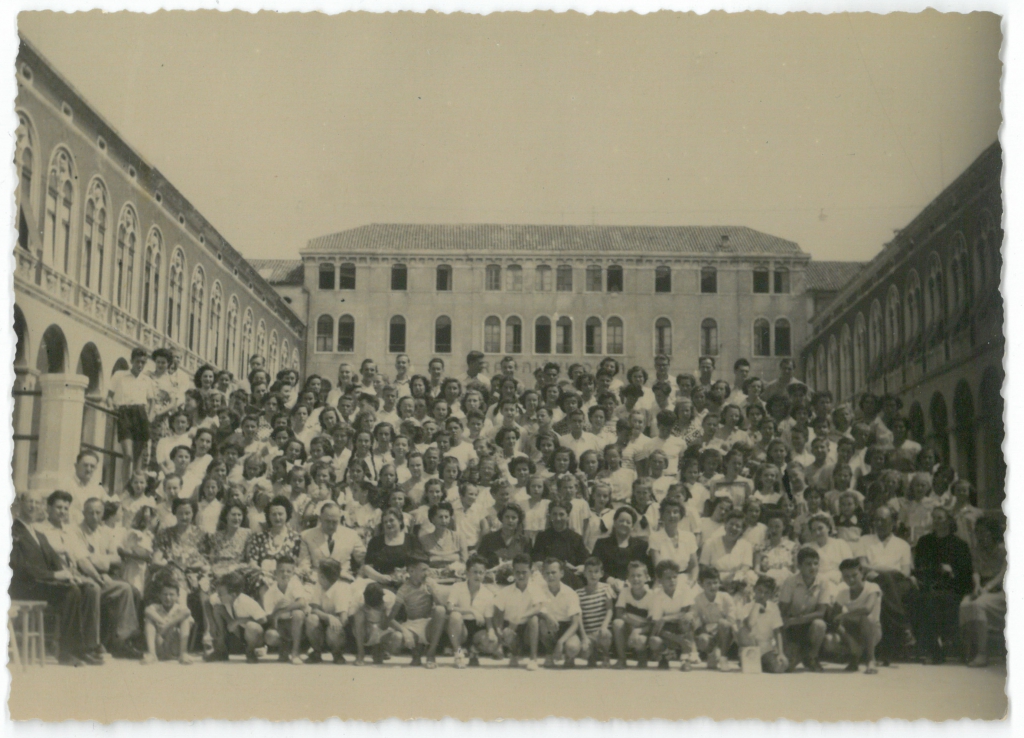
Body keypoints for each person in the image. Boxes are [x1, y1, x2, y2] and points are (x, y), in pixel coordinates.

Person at [10, 490, 104, 666]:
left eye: (37, 503)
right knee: (70, 593)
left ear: (41, 507)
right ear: (20, 504)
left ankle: (84, 648)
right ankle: (66, 652)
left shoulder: (38, 534)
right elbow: (19, 566)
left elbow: (53, 559)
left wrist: (70, 576)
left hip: (40, 583)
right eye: (30, 502)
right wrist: (54, 575)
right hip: (23, 586)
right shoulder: (12, 530)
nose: (33, 506)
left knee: (87, 589)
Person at [74, 497, 142, 658]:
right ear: (83, 513)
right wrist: (100, 570)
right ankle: (96, 644)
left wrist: (97, 560)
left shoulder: (105, 532)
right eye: (90, 513)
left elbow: (117, 559)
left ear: (103, 513)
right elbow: (82, 561)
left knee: (128, 589)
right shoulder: (76, 531)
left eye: (98, 513)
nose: (94, 516)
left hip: (103, 575)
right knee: (110, 589)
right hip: (84, 576)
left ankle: (122, 640)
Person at [911, 506, 973, 664]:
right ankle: (933, 648)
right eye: (934, 518)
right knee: (920, 599)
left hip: (952, 587)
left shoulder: (960, 545)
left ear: (948, 521)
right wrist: (936, 569)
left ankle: (936, 649)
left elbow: (966, 574)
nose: (936, 521)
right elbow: (919, 567)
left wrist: (952, 571)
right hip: (928, 585)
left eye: (940, 518)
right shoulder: (924, 542)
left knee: (933, 601)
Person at [858, 506, 916, 663]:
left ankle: (898, 633)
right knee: (884, 581)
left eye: (883, 520)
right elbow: (862, 566)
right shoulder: (865, 540)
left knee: (887, 582)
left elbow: (905, 573)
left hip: (898, 582)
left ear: (893, 522)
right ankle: (903, 627)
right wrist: (889, 570)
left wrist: (879, 569)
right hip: (873, 580)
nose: (879, 523)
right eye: (876, 520)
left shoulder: (903, 544)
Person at [959, 516, 1006, 667]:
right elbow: (976, 571)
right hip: (984, 589)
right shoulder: (977, 550)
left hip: (1002, 591)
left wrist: (987, 588)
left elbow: (1003, 574)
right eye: (977, 532)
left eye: (983, 532)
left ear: (993, 532)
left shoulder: (1004, 549)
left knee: (978, 605)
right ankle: (969, 650)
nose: (979, 536)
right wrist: (978, 586)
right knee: (964, 605)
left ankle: (982, 654)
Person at [778, 547, 834, 672]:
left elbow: (821, 613)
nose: (813, 567)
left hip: (809, 625)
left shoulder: (823, 581)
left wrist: (795, 620)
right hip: (792, 628)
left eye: (815, 563)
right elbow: (782, 612)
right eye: (808, 564)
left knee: (820, 625)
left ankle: (812, 657)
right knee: (787, 667)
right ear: (799, 566)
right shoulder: (790, 581)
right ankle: (798, 653)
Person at [387, 555, 448, 668]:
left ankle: (431, 653)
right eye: (423, 570)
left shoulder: (430, 583)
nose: (426, 573)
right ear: (411, 571)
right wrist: (405, 631)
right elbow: (390, 619)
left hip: (429, 625)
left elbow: (442, 607)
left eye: (427, 570)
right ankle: (417, 649)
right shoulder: (403, 589)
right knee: (397, 638)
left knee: (440, 610)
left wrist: (433, 592)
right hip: (412, 626)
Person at [446, 555, 499, 667]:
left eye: (481, 573)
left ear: (485, 574)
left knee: (492, 642)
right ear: (467, 573)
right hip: (460, 628)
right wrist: (471, 611)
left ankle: (474, 650)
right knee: (455, 616)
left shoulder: (488, 594)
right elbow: (449, 607)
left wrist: (491, 633)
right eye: (475, 572)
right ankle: (458, 654)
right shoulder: (457, 587)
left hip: (477, 628)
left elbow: (488, 621)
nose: (478, 576)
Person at [109, 347, 156, 471]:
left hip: (140, 414)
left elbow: (152, 401)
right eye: (137, 361)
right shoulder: (120, 375)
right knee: (128, 455)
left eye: (143, 362)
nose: (140, 365)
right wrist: (112, 407)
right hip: (124, 413)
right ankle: (124, 483)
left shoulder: (147, 380)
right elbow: (109, 396)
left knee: (138, 456)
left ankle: (135, 482)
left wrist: (150, 417)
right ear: (131, 361)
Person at [494, 553, 543, 670]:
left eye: (524, 572)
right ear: (513, 571)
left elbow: (537, 608)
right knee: (507, 632)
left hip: (528, 630)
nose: (521, 575)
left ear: (530, 572)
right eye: (517, 572)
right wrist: (499, 635)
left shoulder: (535, 589)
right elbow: (498, 615)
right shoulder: (505, 591)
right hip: (511, 628)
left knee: (534, 619)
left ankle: (533, 659)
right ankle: (514, 654)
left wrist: (520, 617)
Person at [206, 571, 268, 663]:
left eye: (220, 593)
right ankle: (221, 650)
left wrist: (239, 621)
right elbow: (207, 603)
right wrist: (212, 624)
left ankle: (250, 651)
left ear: (233, 595)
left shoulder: (246, 602)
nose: (218, 596)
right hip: (236, 633)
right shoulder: (221, 598)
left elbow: (263, 620)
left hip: (251, 636)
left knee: (252, 626)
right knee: (217, 608)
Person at [647, 560, 698, 670]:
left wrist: (666, 618)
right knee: (654, 640)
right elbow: (657, 623)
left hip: (683, 626)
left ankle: (686, 659)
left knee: (687, 619)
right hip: (667, 630)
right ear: (660, 580)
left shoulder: (684, 589)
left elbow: (685, 612)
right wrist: (679, 640)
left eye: (675, 577)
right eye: (668, 578)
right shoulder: (657, 595)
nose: (672, 580)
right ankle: (665, 656)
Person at [835, 558, 882, 674]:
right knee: (831, 639)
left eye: (854, 575)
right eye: (846, 576)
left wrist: (845, 615)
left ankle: (871, 660)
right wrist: (849, 639)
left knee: (866, 618)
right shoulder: (842, 593)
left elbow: (867, 609)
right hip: (852, 632)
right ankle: (854, 656)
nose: (850, 580)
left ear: (862, 573)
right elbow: (834, 618)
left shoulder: (872, 587)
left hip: (872, 632)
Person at [299, 501, 365, 580]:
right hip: (316, 580)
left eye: (334, 522)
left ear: (339, 519)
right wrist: (310, 578)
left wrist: (359, 578)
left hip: (344, 580)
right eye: (327, 521)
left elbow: (365, 560)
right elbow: (304, 564)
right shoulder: (307, 536)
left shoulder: (351, 535)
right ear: (320, 519)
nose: (331, 526)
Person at [262, 556, 309, 665]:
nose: (285, 574)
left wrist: (281, 611)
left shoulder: (295, 584)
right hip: (281, 625)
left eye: (288, 571)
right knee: (270, 636)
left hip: (296, 624)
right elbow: (270, 618)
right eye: (281, 571)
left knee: (297, 613)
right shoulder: (270, 592)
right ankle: (284, 647)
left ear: (293, 573)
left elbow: (302, 602)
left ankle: (295, 652)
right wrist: (276, 610)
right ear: (275, 573)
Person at [537, 558, 584, 669]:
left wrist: (560, 642)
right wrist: (547, 616)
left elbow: (575, 623)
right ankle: (549, 654)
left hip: (567, 628)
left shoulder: (570, 593)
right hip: (550, 626)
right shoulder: (539, 590)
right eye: (547, 573)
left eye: (553, 572)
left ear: (561, 573)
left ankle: (569, 657)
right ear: (543, 575)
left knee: (572, 647)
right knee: (542, 624)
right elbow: (535, 609)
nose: (550, 576)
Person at [305, 559, 352, 664]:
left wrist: (333, 621)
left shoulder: (341, 589)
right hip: (324, 622)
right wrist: (328, 617)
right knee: (311, 619)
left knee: (334, 627)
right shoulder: (319, 585)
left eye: (318, 573)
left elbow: (344, 619)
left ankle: (337, 653)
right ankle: (316, 652)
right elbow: (314, 609)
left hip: (339, 630)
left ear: (322, 576)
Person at [737, 576, 788, 674]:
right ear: (754, 589)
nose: (762, 595)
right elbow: (750, 624)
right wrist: (757, 606)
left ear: (771, 595)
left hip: (766, 650)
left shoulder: (773, 608)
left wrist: (780, 653)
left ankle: (762, 664)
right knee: (743, 630)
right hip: (751, 646)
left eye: (766, 592)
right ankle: (751, 661)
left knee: (781, 666)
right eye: (760, 590)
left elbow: (777, 632)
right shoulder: (747, 607)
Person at [691, 565, 736, 671]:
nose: (713, 586)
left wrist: (712, 626)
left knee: (723, 623)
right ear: (701, 584)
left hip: (725, 636)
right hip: (709, 635)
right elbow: (695, 623)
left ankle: (723, 657)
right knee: (702, 640)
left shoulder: (726, 597)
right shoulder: (697, 600)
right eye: (708, 583)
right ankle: (712, 653)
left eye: (715, 582)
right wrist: (706, 629)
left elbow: (731, 621)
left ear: (719, 582)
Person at [592, 506, 650, 587]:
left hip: (634, 587)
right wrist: (609, 579)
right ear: (614, 523)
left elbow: (647, 572)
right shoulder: (601, 544)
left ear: (632, 526)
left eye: (628, 522)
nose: (624, 524)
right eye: (621, 521)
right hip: (606, 587)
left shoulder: (641, 546)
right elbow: (593, 567)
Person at [574, 556, 614, 669]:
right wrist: (583, 637)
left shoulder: (606, 588)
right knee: (584, 652)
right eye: (590, 571)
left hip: (602, 631)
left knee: (605, 635)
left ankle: (606, 655)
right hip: (588, 634)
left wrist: (604, 626)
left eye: (596, 571)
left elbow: (610, 610)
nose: (593, 575)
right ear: (584, 573)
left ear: (601, 574)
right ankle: (592, 656)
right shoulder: (579, 593)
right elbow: (579, 617)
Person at [143, 579, 195, 665]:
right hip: (159, 647)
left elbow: (187, 612)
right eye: (165, 594)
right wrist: (162, 621)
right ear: (159, 596)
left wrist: (168, 625)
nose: (168, 598)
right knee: (149, 619)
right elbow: (147, 610)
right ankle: (152, 654)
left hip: (175, 647)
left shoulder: (180, 608)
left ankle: (183, 654)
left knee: (185, 619)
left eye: (171, 595)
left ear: (177, 596)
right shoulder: (156, 607)